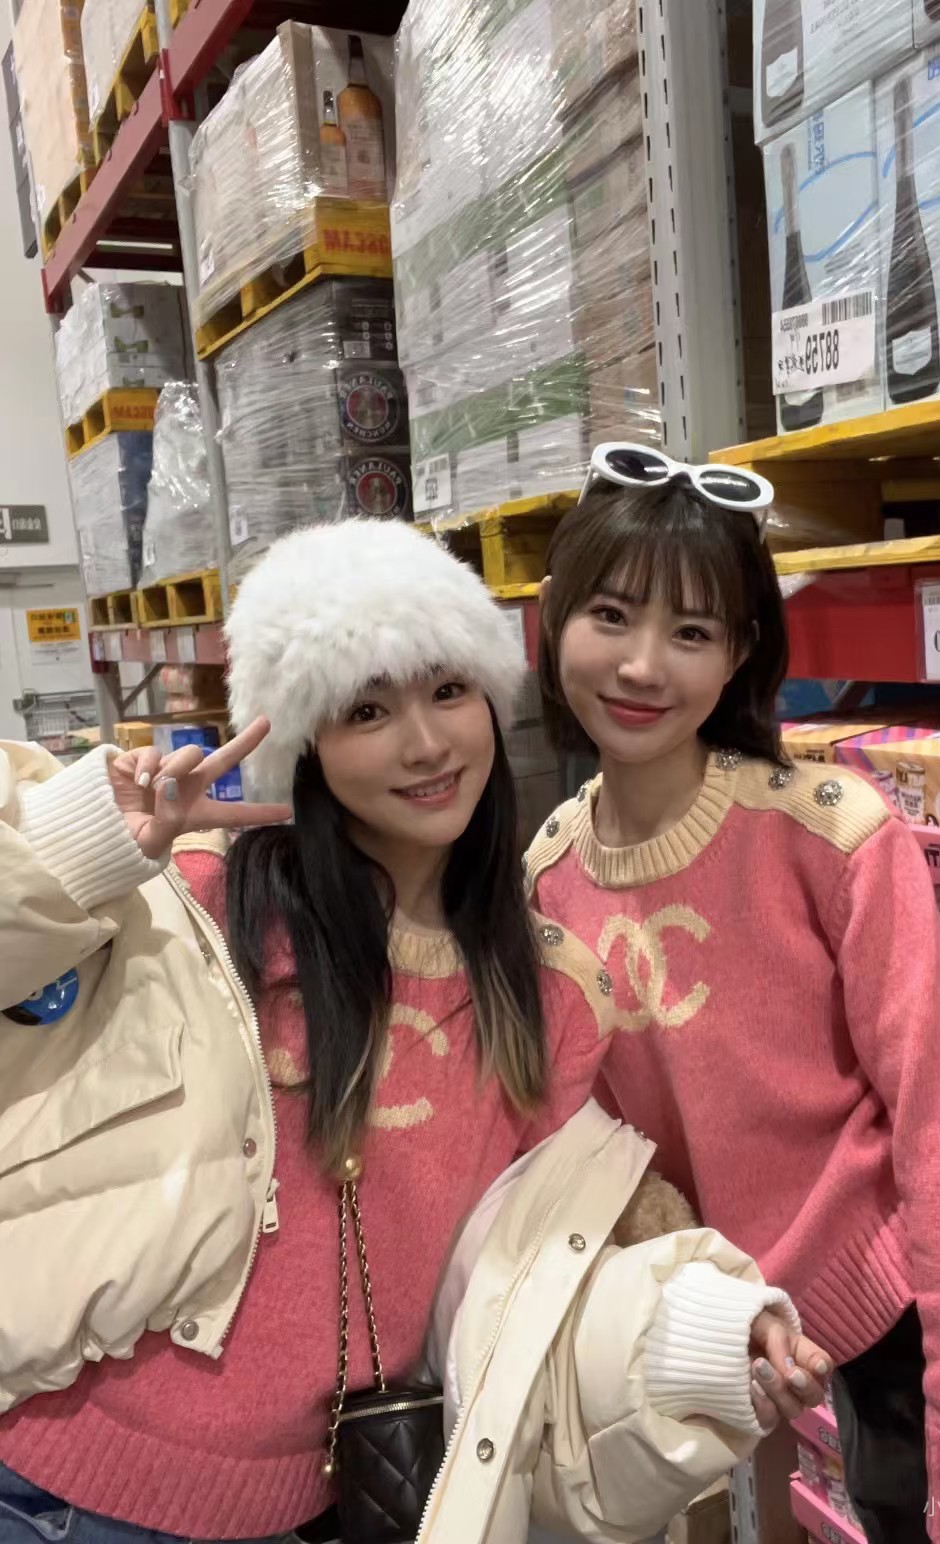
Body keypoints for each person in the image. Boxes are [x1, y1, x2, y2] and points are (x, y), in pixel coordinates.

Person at [0, 518, 830, 1544]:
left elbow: (543, 1266)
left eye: (448, 689)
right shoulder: (199, 905)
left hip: (326, 1505)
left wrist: (711, 1327)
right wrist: (82, 849)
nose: (427, 743)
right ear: (304, 741)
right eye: (366, 709)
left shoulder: (547, 994)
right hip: (61, 1494)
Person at [526, 444, 940, 1544]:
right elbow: (624, 1179)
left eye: (692, 631)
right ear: (553, 619)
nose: (642, 664)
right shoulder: (548, 880)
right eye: (611, 615)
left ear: (740, 652)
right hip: (824, 1363)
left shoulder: (830, 833)